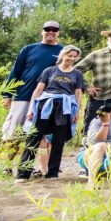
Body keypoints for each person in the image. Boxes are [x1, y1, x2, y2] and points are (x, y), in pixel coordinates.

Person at [15, 44, 83, 181]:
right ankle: (23, 174)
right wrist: (31, 109)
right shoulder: (49, 70)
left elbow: (78, 93)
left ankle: (52, 173)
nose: (72, 58)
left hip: (64, 108)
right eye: (70, 55)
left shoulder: (77, 74)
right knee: (33, 138)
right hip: (45, 105)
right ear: (63, 55)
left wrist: (76, 111)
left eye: (75, 56)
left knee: (58, 141)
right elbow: (38, 90)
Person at [2, 21, 65, 152]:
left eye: (55, 30)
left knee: (41, 135)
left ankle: (39, 169)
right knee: (14, 133)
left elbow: (68, 73)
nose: (51, 32)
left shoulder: (62, 51)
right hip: (23, 96)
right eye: (48, 29)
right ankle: (6, 167)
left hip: (47, 99)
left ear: (58, 33)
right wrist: (7, 94)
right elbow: (16, 72)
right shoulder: (28, 49)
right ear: (41, 31)